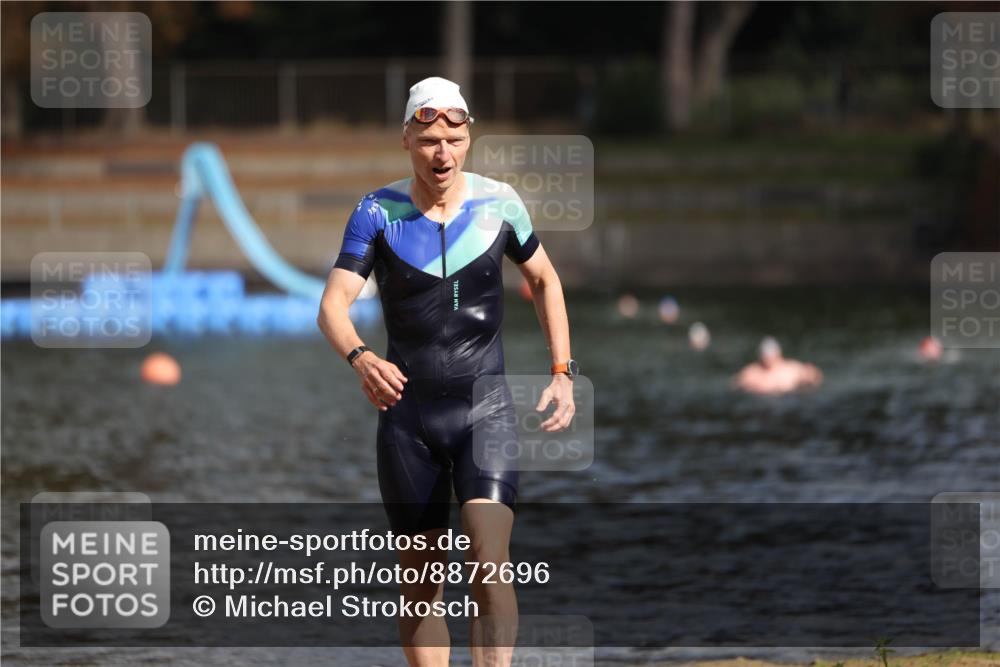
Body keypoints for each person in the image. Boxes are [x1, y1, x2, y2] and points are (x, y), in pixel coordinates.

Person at [317, 76, 578, 667]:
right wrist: (361, 357)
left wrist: (562, 371)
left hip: (485, 409)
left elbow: (544, 280)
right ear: (406, 138)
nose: (442, 154)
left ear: (468, 140)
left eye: (453, 141)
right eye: (429, 138)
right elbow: (332, 307)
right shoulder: (377, 213)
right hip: (408, 421)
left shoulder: (500, 204)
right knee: (420, 588)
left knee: (489, 560)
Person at [731, 336, 822, 395]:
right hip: (759, 401)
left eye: (771, 355)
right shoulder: (751, 372)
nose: (768, 359)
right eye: (766, 355)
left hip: (787, 400)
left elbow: (815, 375)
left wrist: (808, 384)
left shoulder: (791, 368)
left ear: (778, 354)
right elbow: (734, 385)